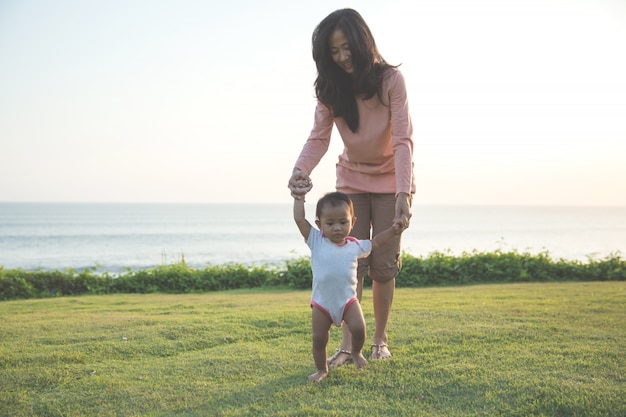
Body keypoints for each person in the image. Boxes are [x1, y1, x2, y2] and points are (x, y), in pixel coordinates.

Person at [288, 8, 415, 367]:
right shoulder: (331, 90)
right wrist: (300, 170)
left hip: (392, 182)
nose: (342, 57)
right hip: (352, 181)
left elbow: (403, 139)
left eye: (347, 47)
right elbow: (318, 138)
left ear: (362, 42)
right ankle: (348, 347)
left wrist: (403, 193)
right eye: (334, 51)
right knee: (351, 264)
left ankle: (380, 340)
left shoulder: (390, 80)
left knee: (383, 265)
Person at [293, 191, 403, 382]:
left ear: (353, 222)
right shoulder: (316, 240)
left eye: (343, 222)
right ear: (319, 225)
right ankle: (321, 369)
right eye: (330, 223)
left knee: (359, 328)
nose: (337, 228)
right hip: (322, 304)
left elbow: (376, 242)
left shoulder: (355, 246)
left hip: (348, 301)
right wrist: (299, 198)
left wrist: (393, 232)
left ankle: (356, 352)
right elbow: (299, 218)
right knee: (319, 339)